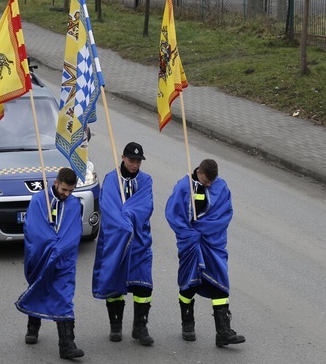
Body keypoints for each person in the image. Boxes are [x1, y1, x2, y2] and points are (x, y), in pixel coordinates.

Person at [165, 159, 245, 347]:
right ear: (199, 172)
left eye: (211, 182)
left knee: (220, 283)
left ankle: (223, 331)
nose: (209, 185)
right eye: (206, 182)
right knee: (189, 283)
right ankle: (188, 324)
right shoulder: (184, 187)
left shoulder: (221, 186)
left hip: (213, 245)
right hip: (191, 244)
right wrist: (190, 234)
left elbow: (225, 214)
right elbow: (173, 215)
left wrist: (204, 229)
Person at [15, 167, 85, 360]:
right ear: (56, 183)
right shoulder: (39, 200)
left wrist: (59, 248)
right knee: (39, 287)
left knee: (64, 297)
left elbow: (74, 232)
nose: (67, 194)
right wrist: (49, 244)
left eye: (71, 191)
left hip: (64, 260)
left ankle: (67, 345)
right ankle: (32, 327)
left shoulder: (73, 205)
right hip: (41, 257)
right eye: (64, 190)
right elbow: (33, 230)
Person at [92, 142, 155, 346]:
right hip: (115, 241)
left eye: (138, 161)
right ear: (122, 158)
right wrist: (123, 222)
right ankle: (115, 325)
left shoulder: (146, 181)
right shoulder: (111, 179)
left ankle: (140, 327)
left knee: (143, 285)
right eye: (131, 160)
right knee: (114, 282)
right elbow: (108, 208)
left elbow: (145, 206)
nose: (135, 165)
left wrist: (126, 215)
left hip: (139, 241)